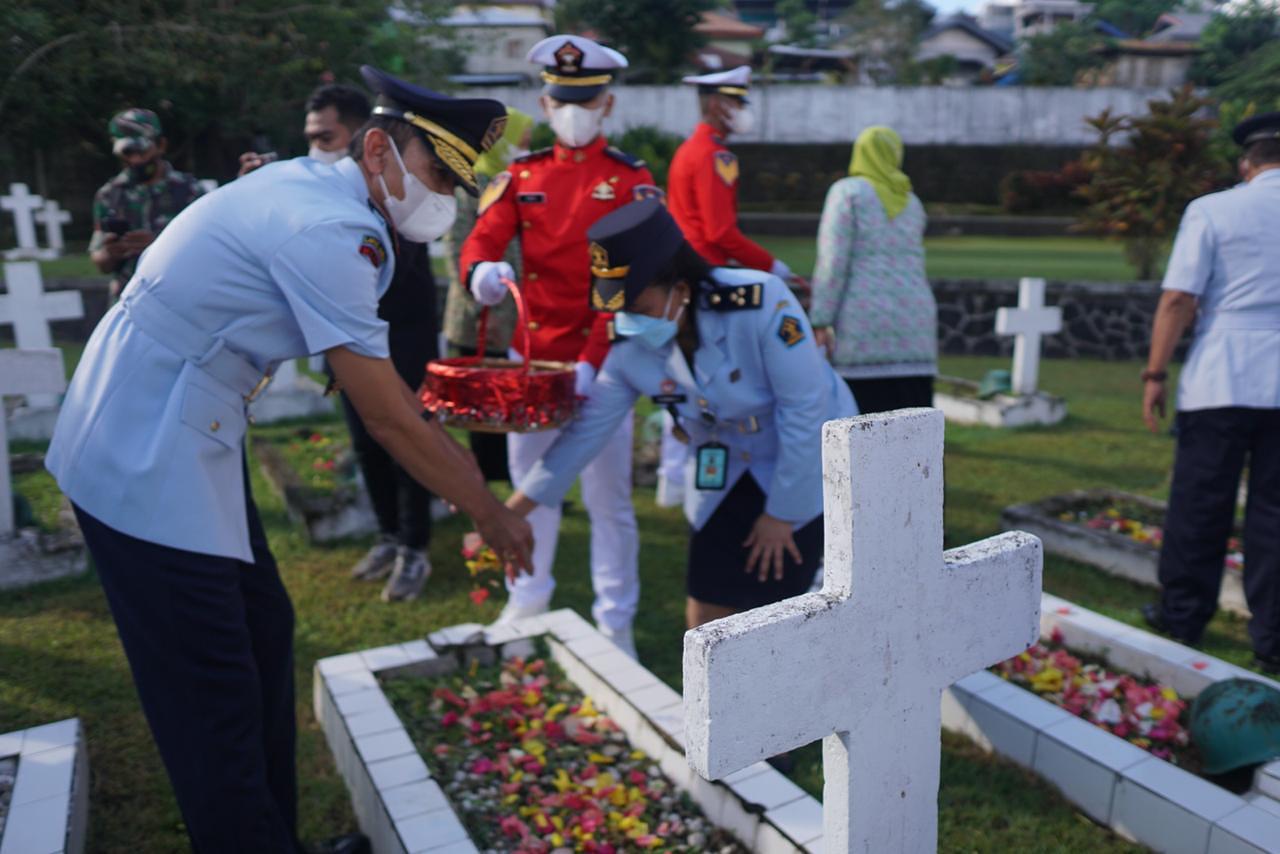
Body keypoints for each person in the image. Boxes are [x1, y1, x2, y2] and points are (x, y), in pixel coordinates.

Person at [45, 67, 531, 852]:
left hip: (183, 422)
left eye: (456, 181)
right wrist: (490, 512)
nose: (445, 195)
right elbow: (388, 417)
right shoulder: (332, 231)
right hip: (145, 444)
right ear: (378, 148)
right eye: (438, 172)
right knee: (214, 695)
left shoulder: (322, 192)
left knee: (263, 633)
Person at [508, 199, 856, 629]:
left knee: (778, 615)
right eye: (622, 310)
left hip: (801, 463)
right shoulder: (630, 348)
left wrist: (782, 515)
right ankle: (707, 696)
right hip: (724, 466)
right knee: (706, 611)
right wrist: (513, 509)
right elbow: (585, 434)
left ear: (681, 287)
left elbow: (806, 411)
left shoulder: (760, 303)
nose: (631, 321)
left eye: (641, 308)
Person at [461, 34, 663, 656]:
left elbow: (637, 279)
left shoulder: (631, 180)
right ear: (545, 105)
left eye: (587, 98)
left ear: (607, 103)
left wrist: (591, 362)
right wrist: (481, 274)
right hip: (534, 360)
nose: (573, 110)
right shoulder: (523, 176)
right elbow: (482, 241)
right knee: (531, 485)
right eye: (560, 99)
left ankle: (616, 623)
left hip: (606, 363)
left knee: (609, 501)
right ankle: (526, 602)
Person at [240, 81, 444, 602]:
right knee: (366, 442)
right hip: (347, 335)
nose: (316, 148)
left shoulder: (390, 188)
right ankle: (388, 536)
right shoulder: (316, 190)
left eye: (326, 137)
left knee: (409, 440)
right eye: (310, 137)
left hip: (402, 335)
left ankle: (416, 548)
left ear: (365, 139)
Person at [1140, 111, 1280, 676]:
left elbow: (1179, 300)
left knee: (1201, 504)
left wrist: (1154, 373)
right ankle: (1273, 637)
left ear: (1246, 163)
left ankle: (1183, 615)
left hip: (1223, 375)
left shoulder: (1214, 209)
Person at [809, 125, 936, 413]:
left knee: (863, 433)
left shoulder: (847, 193)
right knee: (916, 436)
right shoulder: (912, 202)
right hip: (915, 327)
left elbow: (833, 261)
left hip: (862, 326)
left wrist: (819, 319)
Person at [440, 106, 535, 485]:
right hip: (478, 321)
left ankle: (520, 480)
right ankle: (486, 482)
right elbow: (455, 253)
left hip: (515, 319)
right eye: (520, 144)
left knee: (514, 403)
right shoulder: (470, 187)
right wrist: (486, 313)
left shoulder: (520, 183)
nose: (525, 152)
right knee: (482, 407)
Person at [89, 108, 203, 301]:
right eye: (128, 152)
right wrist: (112, 253)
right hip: (128, 301)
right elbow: (100, 260)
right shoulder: (109, 195)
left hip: (181, 299)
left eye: (141, 150)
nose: (136, 159)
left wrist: (159, 245)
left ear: (161, 145)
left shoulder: (188, 191)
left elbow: (209, 250)